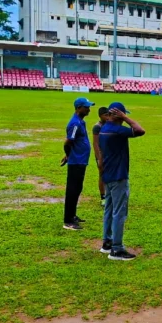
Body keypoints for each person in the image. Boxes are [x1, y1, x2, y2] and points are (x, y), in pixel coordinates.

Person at [98, 102, 145, 261]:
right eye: (123, 115)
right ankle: (116, 249)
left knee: (109, 210)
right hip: (118, 176)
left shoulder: (104, 129)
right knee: (119, 212)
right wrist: (125, 117)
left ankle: (107, 242)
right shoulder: (117, 130)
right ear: (118, 115)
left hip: (108, 175)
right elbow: (140, 130)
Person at [62, 97, 95, 231]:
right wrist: (69, 155)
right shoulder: (75, 124)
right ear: (79, 108)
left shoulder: (81, 122)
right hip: (76, 161)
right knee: (72, 190)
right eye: (86, 107)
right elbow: (68, 142)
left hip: (81, 160)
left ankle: (72, 215)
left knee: (77, 189)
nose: (89, 109)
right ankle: (68, 220)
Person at [92, 107, 109, 207]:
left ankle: (109, 195)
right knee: (102, 175)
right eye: (105, 115)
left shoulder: (109, 124)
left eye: (108, 115)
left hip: (109, 153)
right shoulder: (97, 127)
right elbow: (95, 143)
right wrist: (99, 158)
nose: (107, 117)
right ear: (100, 115)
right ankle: (103, 197)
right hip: (101, 154)